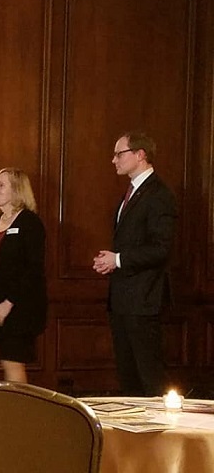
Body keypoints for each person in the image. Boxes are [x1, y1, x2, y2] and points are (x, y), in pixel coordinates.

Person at [93, 131, 177, 396]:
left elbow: (161, 249)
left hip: (144, 300)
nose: (113, 160)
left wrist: (117, 259)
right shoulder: (132, 192)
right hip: (124, 300)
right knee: (129, 379)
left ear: (140, 155)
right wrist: (111, 261)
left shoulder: (159, 194)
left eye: (119, 154)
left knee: (149, 377)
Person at [0, 167, 47, 383]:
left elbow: (33, 269)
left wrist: (8, 303)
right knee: (7, 359)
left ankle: (19, 403)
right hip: (0, 303)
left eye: (1, 185)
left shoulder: (29, 222)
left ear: (17, 189)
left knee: (13, 359)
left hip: (22, 304)